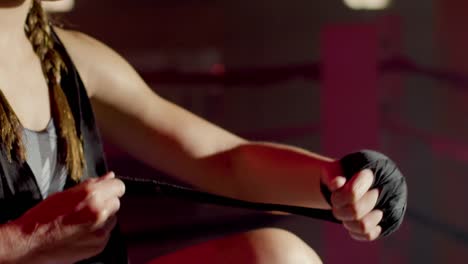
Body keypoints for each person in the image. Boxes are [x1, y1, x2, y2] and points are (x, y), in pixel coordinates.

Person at [0, 0, 384, 263]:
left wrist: (337, 181)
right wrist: (26, 240)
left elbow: (224, 160)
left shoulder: (73, 58)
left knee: (277, 256)